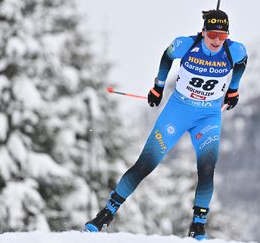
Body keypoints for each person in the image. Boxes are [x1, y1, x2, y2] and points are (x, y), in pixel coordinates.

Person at [85, 9, 247, 240]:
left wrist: (233, 89)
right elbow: (167, 56)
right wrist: (158, 86)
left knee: (207, 170)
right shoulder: (185, 45)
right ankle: (106, 214)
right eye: (212, 35)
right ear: (203, 32)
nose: (216, 41)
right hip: (178, 111)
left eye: (222, 37)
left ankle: (198, 227)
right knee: (145, 164)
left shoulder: (235, 50)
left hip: (208, 116)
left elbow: (242, 63)